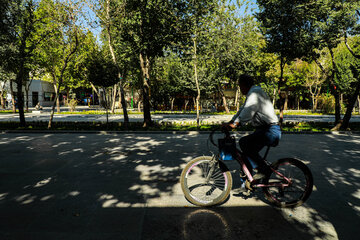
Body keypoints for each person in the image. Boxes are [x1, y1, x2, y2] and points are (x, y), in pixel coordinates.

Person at [223, 74, 281, 180]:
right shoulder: (252, 93)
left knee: (244, 143)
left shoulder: (254, 93)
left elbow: (248, 111)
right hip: (265, 130)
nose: (240, 90)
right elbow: (242, 110)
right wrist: (231, 121)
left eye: (240, 86)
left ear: (244, 85)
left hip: (270, 131)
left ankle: (263, 170)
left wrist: (236, 124)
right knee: (246, 153)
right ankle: (249, 178)